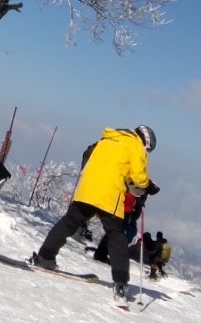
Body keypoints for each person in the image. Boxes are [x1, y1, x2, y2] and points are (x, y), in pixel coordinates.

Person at [27, 125, 158, 303]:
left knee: (69, 223)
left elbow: (88, 156)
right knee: (116, 235)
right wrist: (147, 185)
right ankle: (121, 282)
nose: (147, 152)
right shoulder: (135, 145)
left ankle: (45, 257)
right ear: (146, 141)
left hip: (87, 189)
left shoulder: (107, 139)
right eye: (148, 149)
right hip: (109, 194)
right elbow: (138, 176)